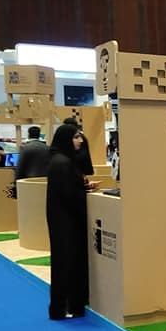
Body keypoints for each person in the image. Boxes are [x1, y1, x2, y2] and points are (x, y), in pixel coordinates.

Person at [46, 123, 97, 320]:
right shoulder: (62, 163)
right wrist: (83, 195)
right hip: (66, 222)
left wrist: (83, 188)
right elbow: (68, 195)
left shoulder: (60, 160)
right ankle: (64, 307)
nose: (80, 141)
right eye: (76, 137)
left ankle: (67, 306)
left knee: (66, 262)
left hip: (63, 220)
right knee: (66, 263)